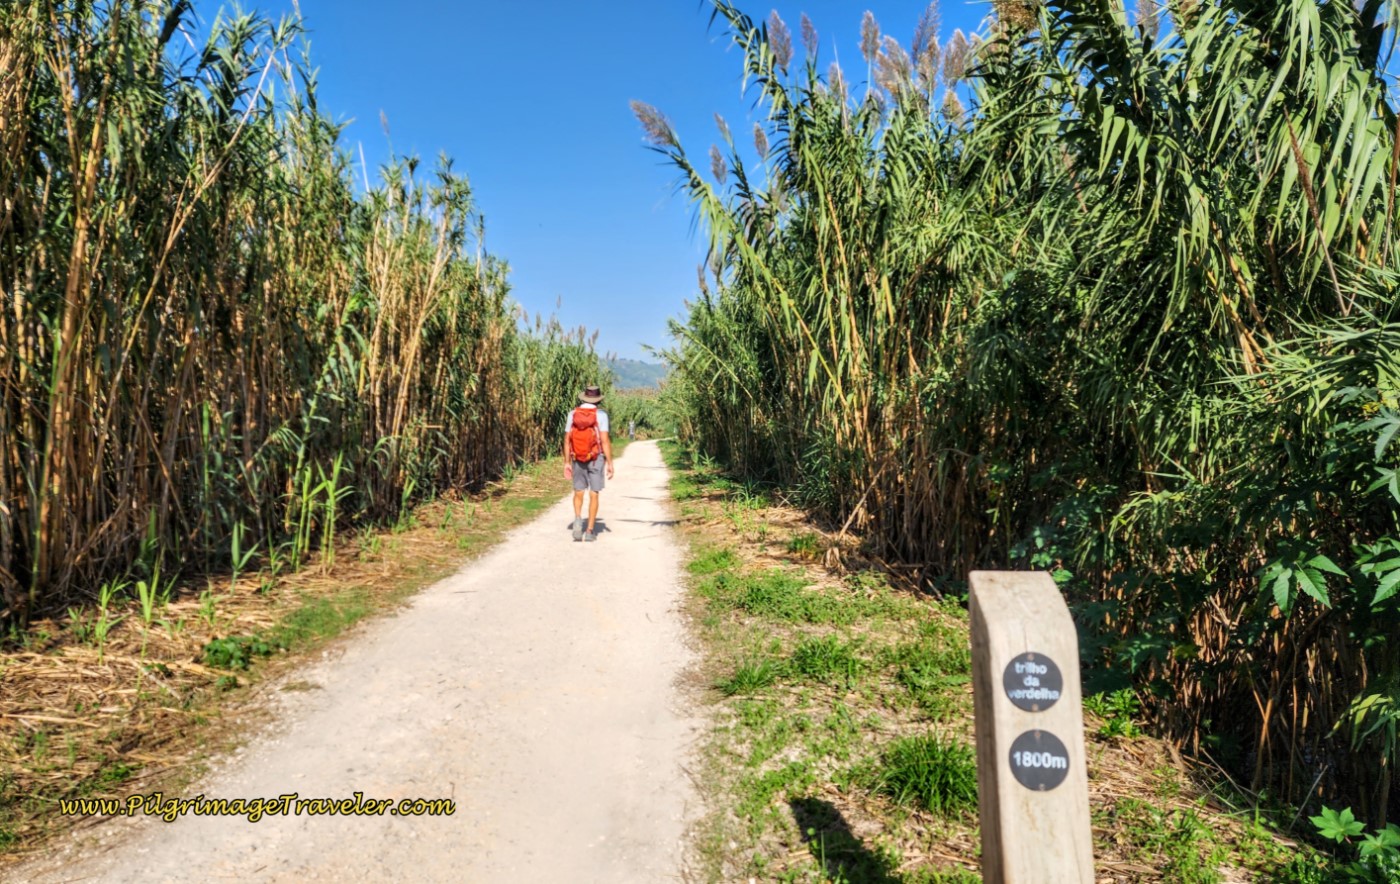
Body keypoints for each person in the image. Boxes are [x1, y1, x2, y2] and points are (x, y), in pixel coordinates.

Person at [563, 384, 614, 542]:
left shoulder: (573, 414)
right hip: (595, 458)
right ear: (598, 400)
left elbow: (567, 440)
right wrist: (610, 462)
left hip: (577, 457)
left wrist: (567, 462)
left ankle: (578, 518)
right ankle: (590, 530)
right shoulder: (602, 415)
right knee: (594, 493)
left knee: (578, 491)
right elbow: (604, 441)